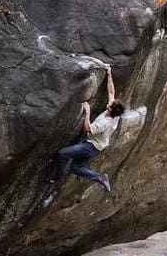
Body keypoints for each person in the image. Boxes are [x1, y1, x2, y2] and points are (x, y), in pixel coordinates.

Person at [44, 68, 122, 205]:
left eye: (109, 107)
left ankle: (58, 179)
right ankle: (99, 177)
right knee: (75, 168)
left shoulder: (105, 123)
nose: (107, 105)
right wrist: (109, 74)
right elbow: (111, 92)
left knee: (62, 154)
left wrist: (87, 112)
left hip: (91, 147)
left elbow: (87, 128)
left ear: (111, 111)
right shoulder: (115, 112)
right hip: (96, 145)